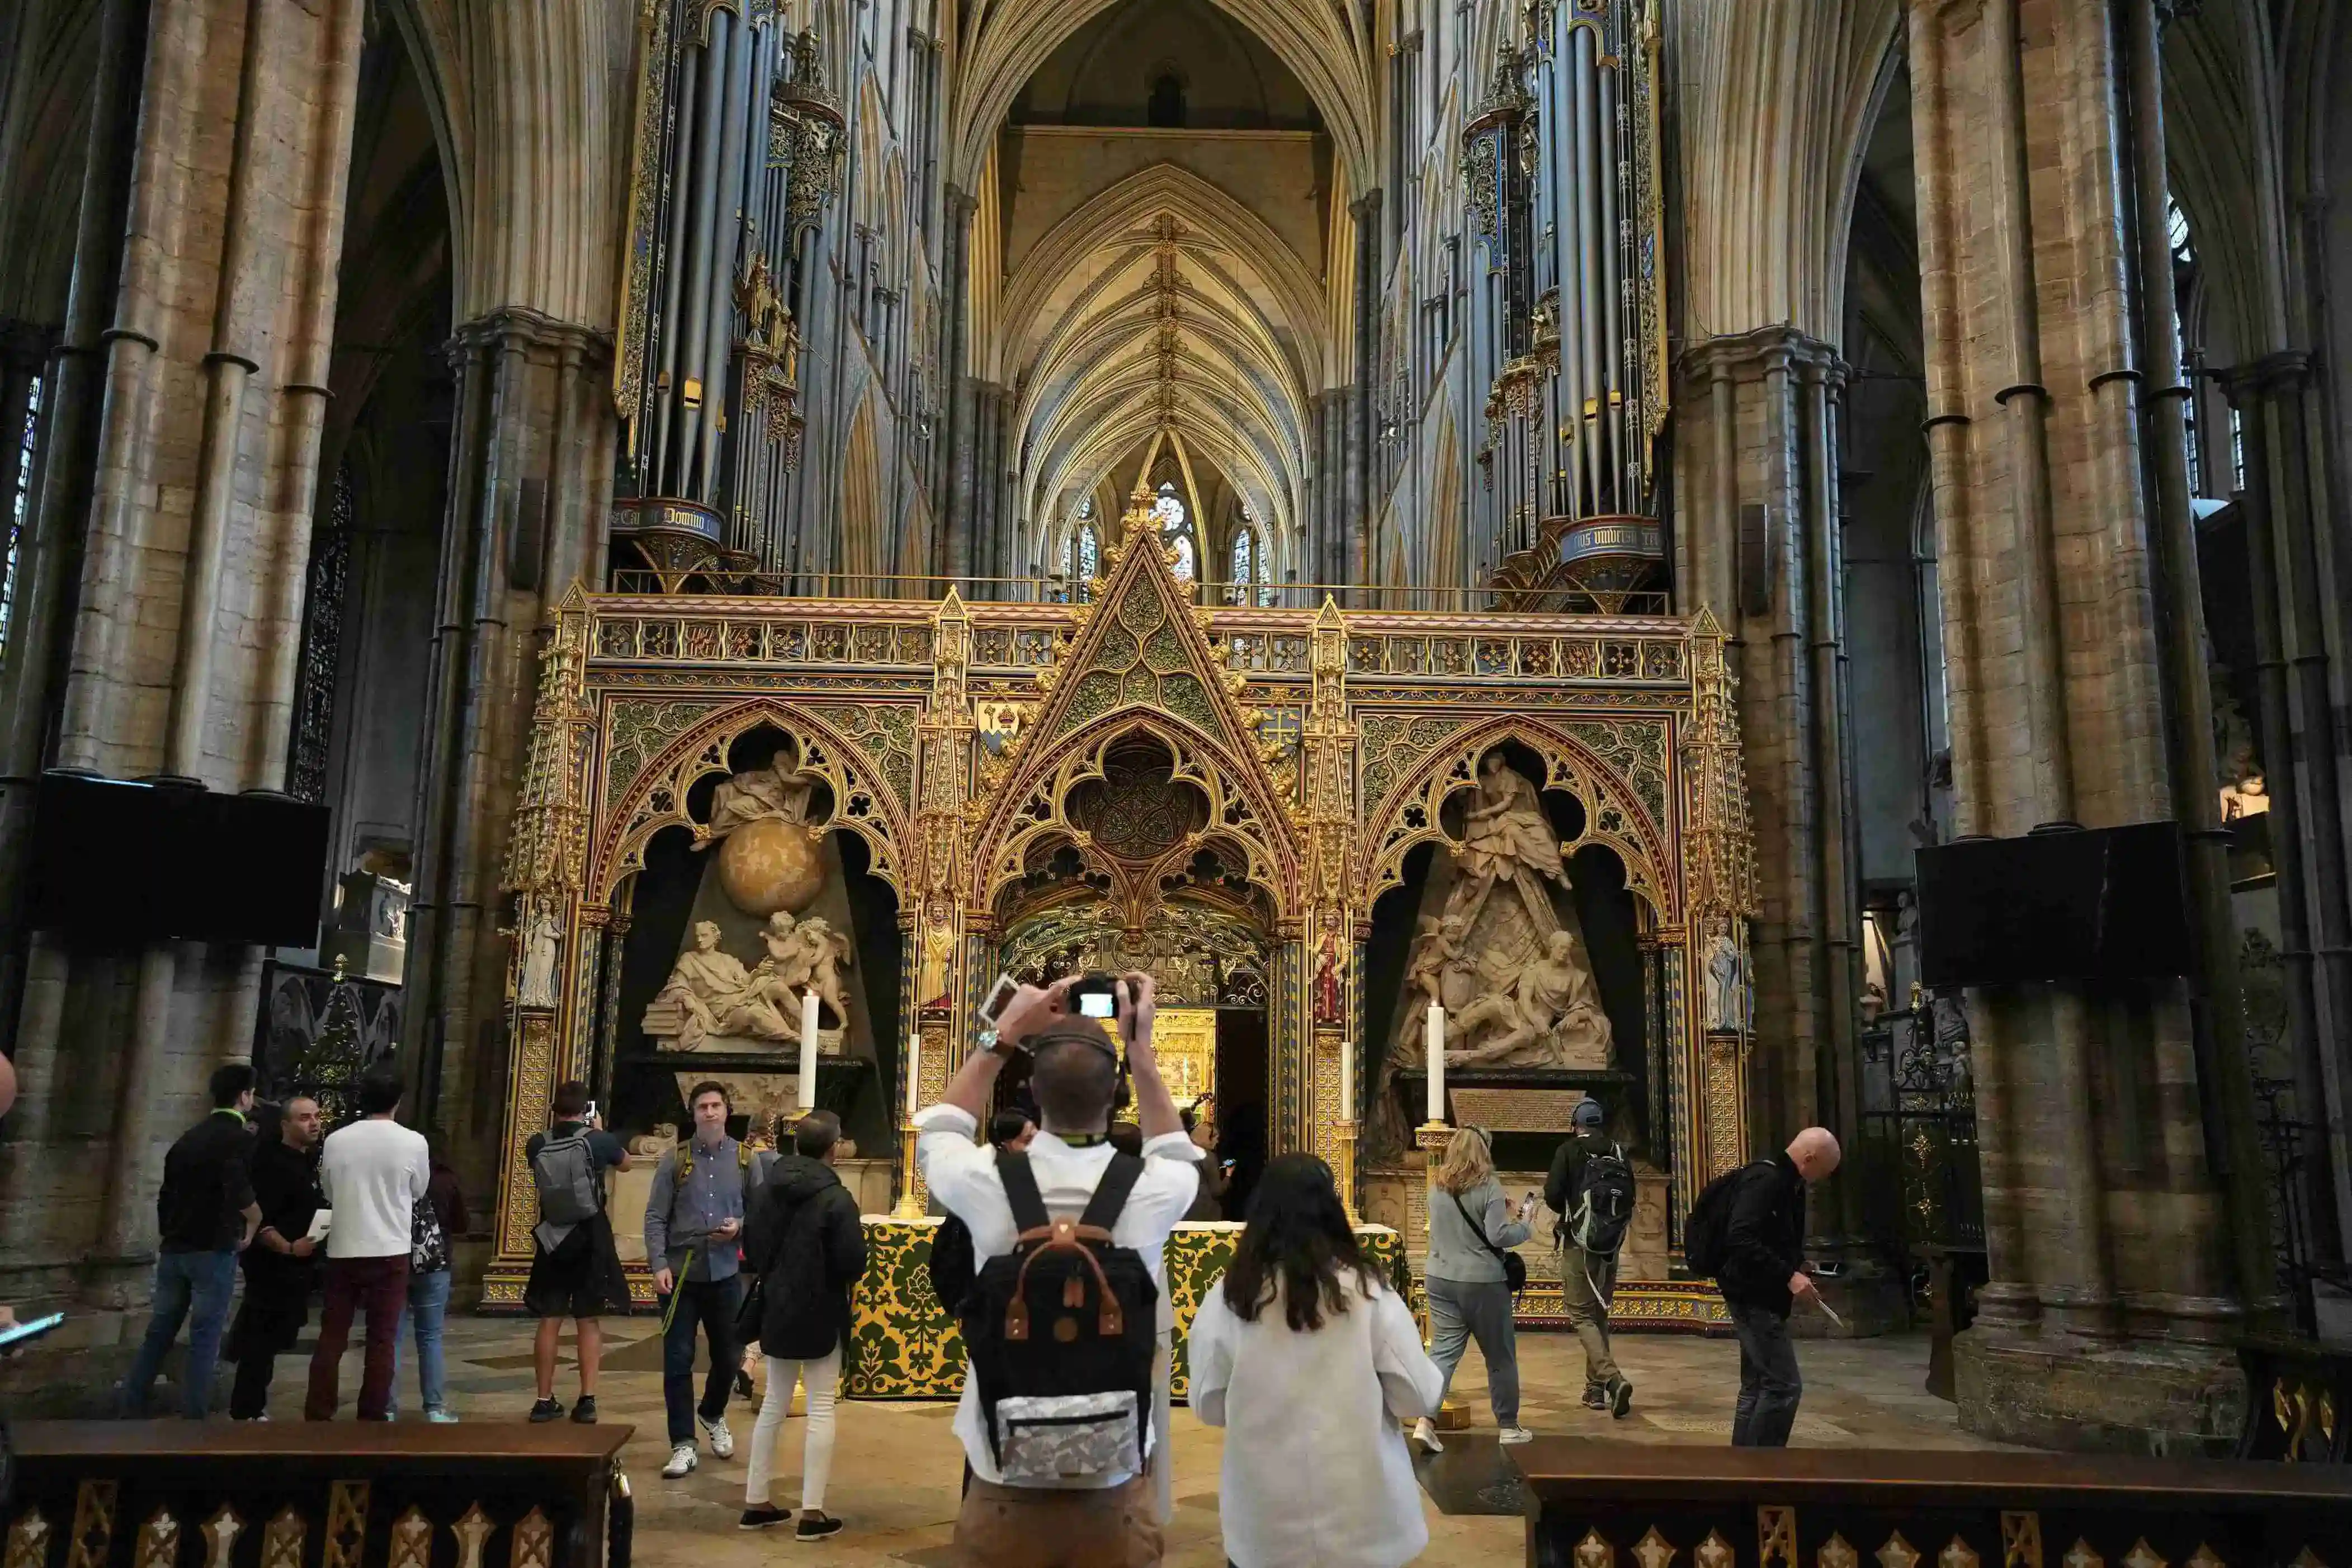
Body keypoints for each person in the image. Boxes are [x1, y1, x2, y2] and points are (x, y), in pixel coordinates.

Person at [915, 973, 1201, 1568]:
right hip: (1113, 1492)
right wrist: (1141, 1051)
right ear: (1115, 1093)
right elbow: (1175, 1149)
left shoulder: (987, 1182)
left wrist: (1004, 1032)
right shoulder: (1154, 1189)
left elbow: (939, 1129)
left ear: (1033, 1095)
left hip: (1003, 1486)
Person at [1189, 1153, 1443, 1568]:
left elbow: (1207, 1402)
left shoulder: (1233, 1295)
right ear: (1330, 1211)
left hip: (1266, 1517)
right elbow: (1417, 1395)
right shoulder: (1367, 1291)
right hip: (1360, 1514)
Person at [739, 1109, 867, 1541]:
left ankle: (756, 1501)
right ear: (834, 1149)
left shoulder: (767, 1188)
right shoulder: (836, 1198)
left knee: (775, 1402)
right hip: (822, 1308)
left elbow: (753, 1247)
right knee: (821, 1407)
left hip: (776, 1303)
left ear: (797, 1145)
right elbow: (854, 1261)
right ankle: (812, 1511)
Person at [121, 1063, 261, 1418]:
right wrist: (255, 1219)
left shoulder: (188, 1137)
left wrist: (170, 1231)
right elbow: (236, 1185)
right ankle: (195, 1419)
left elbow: (165, 1195)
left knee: (160, 1332)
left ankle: (130, 1404)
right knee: (206, 1336)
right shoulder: (238, 1137)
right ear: (245, 1096)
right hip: (212, 1250)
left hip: (175, 1248)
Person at [305, 1066, 431, 1420]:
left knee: (332, 1334)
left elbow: (328, 1191)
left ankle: (318, 1412)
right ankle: (372, 1415)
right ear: (398, 1101)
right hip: (390, 1248)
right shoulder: (412, 1141)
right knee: (382, 1337)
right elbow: (418, 1191)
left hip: (344, 1246)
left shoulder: (336, 1140)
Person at [646, 1082, 753, 1476]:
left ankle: (712, 1412)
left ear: (727, 1111)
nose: (710, 1113)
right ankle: (683, 1443)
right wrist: (658, 1263)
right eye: (703, 1107)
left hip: (724, 1272)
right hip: (681, 1272)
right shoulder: (674, 1161)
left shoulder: (745, 1160)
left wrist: (739, 1226)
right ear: (693, 1114)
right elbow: (656, 1216)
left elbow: (760, 1214)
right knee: (678, 1359)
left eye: (716, 1106)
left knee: (729, 1354)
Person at [1414, 1125, 1536, 1451]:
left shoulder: (1436, 1186)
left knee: (1442, 1352)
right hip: (1482, 1282)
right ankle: (1509, 1426)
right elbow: (1498, 1237)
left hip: (1440, 1278)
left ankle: (1426, 1421)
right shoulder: (1489, 1187)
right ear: (1484, 1150)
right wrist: (1524, 1226)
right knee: (1500, 1356)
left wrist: (1500, 1210)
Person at [1720, 1127, 1842, 1447]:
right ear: (1810, 1159)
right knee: (1783, 1387)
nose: (1822, 1180)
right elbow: (1740, 1237)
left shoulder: (1786, 1184)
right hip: (1753, 1296)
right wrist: (1788, 1276)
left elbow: (1773, 1238)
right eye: (1823, 1171)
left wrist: (1798, 1266)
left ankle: (1739, 1470)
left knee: (1757, 1386)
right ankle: (1765, 1474)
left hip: (1758, 1294)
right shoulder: (1767, 1181)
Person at [524, 1080, 633, 1422]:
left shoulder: (537, 1142)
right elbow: (627, 1164)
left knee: (550, 1318)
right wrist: (597, 1131)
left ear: (555, 1109)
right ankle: (587, 1400)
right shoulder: (597, 1140)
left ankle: (544, 1400)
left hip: (554, 1236)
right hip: (590, 1234)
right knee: (588, 1318)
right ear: (586, 1109)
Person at [227, 1094, 324, 1420]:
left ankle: (253, 1404)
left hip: (296, 1265)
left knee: (271, 1336)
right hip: (272, 1263)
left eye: (316, 1116)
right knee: (259, 1338)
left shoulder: (306, 1160)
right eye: (304, 1118)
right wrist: (287, 1247)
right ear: (285, 1125)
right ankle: (246, 1409)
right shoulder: (270, 1161)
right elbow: (261, 1216)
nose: (314, 1123)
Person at [1543, 1097, 1632, 1416]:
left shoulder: (1568, 1151)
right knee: (1599, 1315)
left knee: (1581, 1315)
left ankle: (1611, 1380)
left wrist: (1572, 1210)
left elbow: (1552, 1195)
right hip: (1611, 1246)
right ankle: (1594, 1390)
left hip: (1579, 1244)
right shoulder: (1619, 1151)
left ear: (1575, 1124)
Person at [389, 1147, 467, 1421]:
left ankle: (387, 1408)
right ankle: (434, 1408)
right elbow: (462, 1223)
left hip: (395, 1261)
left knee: (392, 1338)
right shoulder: (446, 1180)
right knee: (431, 1337)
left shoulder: (394, 1176)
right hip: (436, 1263)